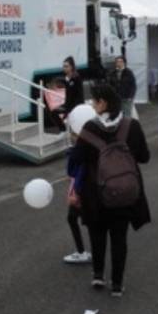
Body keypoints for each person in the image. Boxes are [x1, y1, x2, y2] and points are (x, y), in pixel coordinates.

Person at [73, 83, 151, 297]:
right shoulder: (132, 125)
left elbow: (77, 159)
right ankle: (117, 284)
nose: (91, 104)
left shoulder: (89, 128)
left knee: (97, 235)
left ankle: (98, 275)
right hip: (125, 194)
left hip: (96, 194)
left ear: (103, 103)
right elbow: (144, 157)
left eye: (94, 100)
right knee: (119, 238)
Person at [62, 105, 97, 265]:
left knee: (76, 219)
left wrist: (75, 193)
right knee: (86, 220)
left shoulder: (78, 149)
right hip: (92, 188)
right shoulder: (95, 143)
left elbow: (74, 171)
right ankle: (92, 251)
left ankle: (83, 252)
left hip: (81, 190)